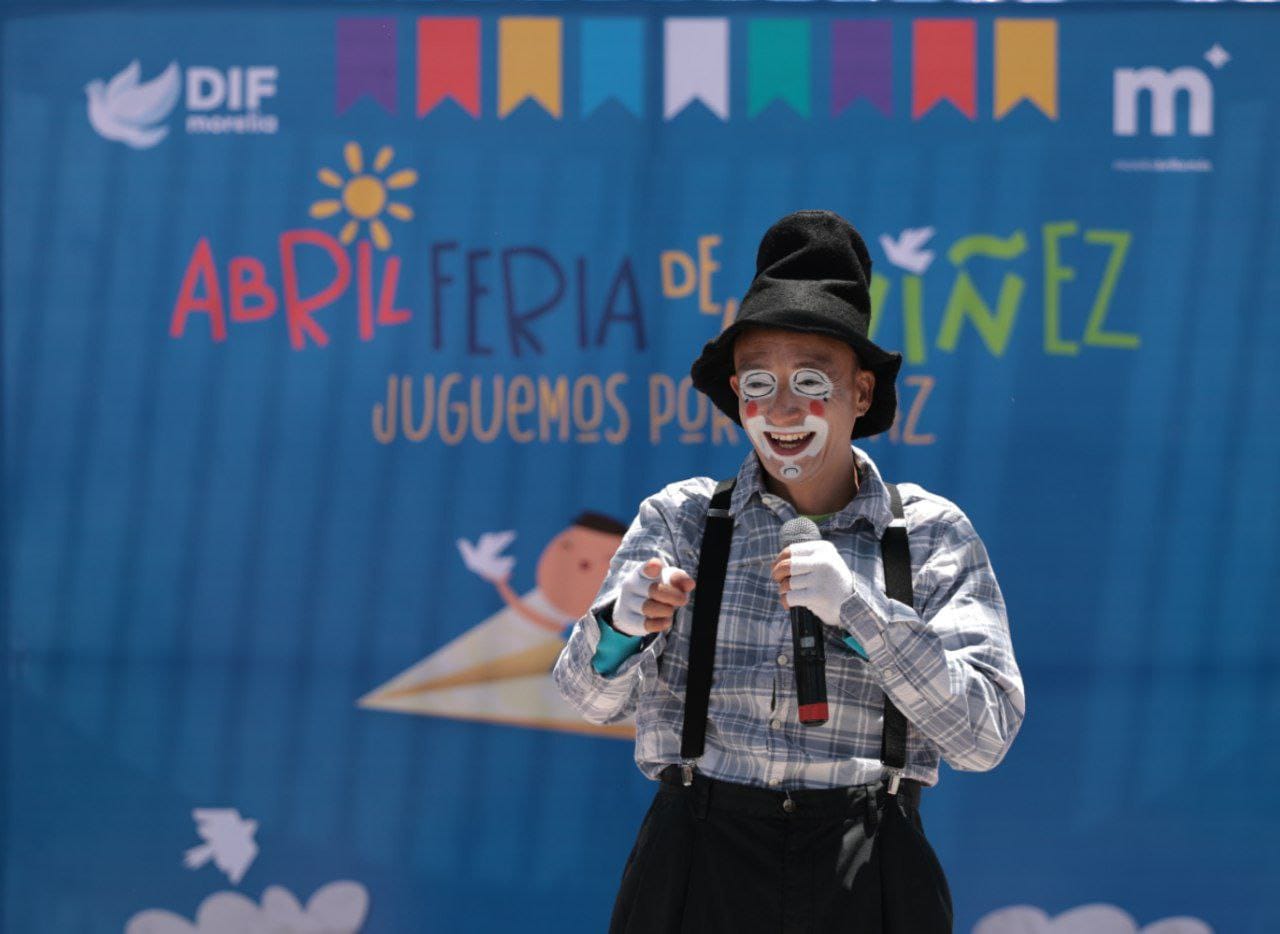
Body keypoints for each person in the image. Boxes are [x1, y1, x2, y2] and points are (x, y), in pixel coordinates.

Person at [553, 209, 1025, 932]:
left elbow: (984, 737)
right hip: (698, 856)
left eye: (808, 379)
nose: (780, 408)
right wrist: (622, 626)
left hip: (867, 862)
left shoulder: (930, 534)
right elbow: (585, 699)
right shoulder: (682, 521)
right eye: (757, 383)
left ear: (859, 393)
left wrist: (861, 612)